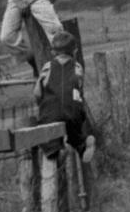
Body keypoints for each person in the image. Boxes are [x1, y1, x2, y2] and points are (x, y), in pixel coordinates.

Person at [34, 30, 95, 162]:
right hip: (73, 112)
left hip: (50, 113)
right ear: (75, 51)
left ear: (53, 52)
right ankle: (82, 145)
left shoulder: (48, 67)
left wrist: (41, 103)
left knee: (46, 134)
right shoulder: (78, 67)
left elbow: (37, 92)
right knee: (75, 131)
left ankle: (53, 151)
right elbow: (78, 90)